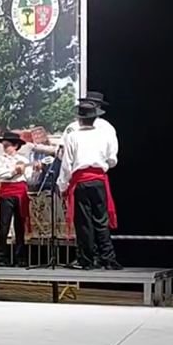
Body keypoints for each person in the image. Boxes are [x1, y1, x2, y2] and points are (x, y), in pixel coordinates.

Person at [56, 92, 121, 270]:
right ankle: (108, 258)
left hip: (82, 181)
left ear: (79, 118)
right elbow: (112, 159)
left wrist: (63, 185)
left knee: (84, 222)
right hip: (98, 180)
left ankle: (86, 259)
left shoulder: (73, 135)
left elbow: (67, 164)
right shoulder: (104, 132)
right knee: (101, 220)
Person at [0, 131, 38, 267]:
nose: (5, 148)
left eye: (7, 145)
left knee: (20, 226)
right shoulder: (0, 160)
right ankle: (1, 257)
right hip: (7, 193)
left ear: (15, 146)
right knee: (4, 226)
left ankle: (20, 257)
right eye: (4, 145)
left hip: (20, 193)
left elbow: (30, 179)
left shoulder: (24, 160)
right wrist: (12, 171)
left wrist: (36, 170)